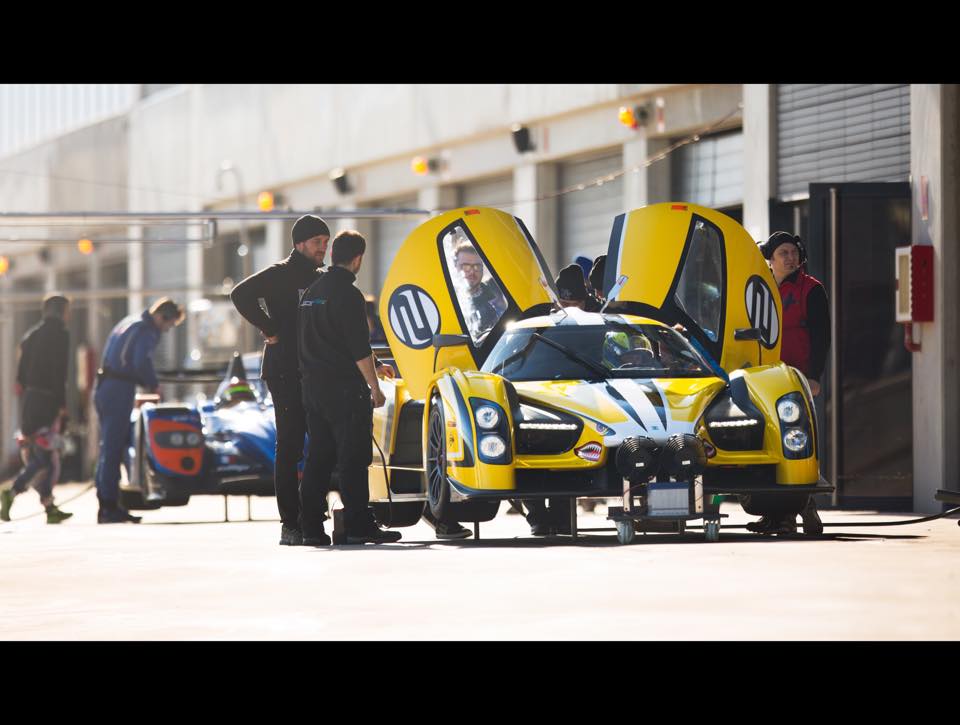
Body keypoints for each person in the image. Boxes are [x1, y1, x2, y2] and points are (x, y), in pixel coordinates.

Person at [298, 230, 401, 546]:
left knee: (318, 459)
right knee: (353, 460)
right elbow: (357, 346)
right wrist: (375, 387)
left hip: (313, 390)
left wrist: (376, 362)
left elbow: (332, 338)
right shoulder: (349, 295)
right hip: (344, 391)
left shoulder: (311, 292)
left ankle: (310, 529)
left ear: (332, 255)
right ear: (358, 259)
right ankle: (358, 527)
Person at [231, 214, 328, 546]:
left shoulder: (322, 278)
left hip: (316, 371)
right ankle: (290, 523)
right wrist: (269, 327)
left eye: (326, 242)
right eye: (316, 242)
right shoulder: (279, 274)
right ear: (299, 244)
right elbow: (240, 294)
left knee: (322, 443)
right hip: (284, 369)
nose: (322, 248)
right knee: (289, 445)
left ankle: (313, 515)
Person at [748, 231, 831, 536]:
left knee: (797, 446)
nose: (790, 258)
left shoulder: (812, 289)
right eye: (783, 253)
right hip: (765, 379)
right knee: (770, 446)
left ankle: (795, 512)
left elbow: (822, 336)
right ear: (769, 259)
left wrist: (815, 376)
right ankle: (775, 514)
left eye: (793, 252)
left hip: (797, 380)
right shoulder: (760, 288)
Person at [94, 297, 184, 523]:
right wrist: (153, 384)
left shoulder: (129, 322)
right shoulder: (146, 330)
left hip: (105, 387)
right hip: (119, 389)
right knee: (113, 448)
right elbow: (140, 361)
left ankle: (109, 502)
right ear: (162, 317)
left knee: (110, 446)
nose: (166, 331)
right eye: (168, 325)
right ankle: (108, 506)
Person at [1, 294, 73, 524]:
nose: (69, 315)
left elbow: (20, 378)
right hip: (48, 400)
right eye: (67, 311)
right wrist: (62, 405)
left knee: (38, 452)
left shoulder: (30, 336)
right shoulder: (61, 335)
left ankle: (49, 506)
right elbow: (60, 373)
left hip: (30, 401)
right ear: (61, 311)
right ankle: (12, 491)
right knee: (46, 456)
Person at [453, 243, 507, 337]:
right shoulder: (447, 299)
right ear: (454, 268)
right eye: (465, 266)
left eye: (477, 266)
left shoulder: (497, 297)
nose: (472, 271)